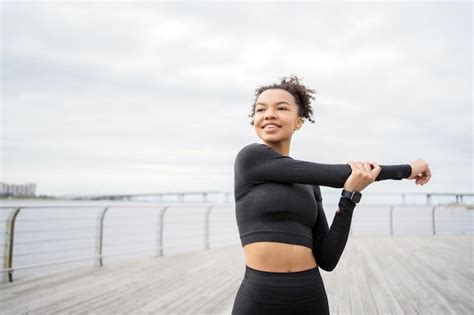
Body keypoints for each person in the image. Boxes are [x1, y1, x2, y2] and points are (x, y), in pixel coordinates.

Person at [231, 75, 431, 315]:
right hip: (259, 295)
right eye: (260, 109)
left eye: (281, 108)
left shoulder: (310, 185)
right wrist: (408, 170)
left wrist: (349, 197)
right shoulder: (250, 159)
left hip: (310, 294)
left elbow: (327, 258)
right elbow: (339, 174)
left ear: (299, 122)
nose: (269, 114)